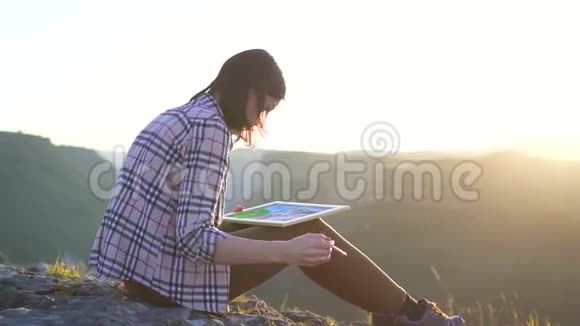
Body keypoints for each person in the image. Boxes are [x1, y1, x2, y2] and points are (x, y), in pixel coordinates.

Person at [88, 49, 465, 326]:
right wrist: (287, 250)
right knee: (306, 231)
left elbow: (175, 220)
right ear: (244, 89)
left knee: (283, 224)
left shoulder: (185, 114)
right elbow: (192, 240)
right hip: (166, 284)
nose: (260, 119)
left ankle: (394, 313)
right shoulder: (211, 130)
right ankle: (410, 315)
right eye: (262, 107)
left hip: (144, 273)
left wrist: (229, 225)